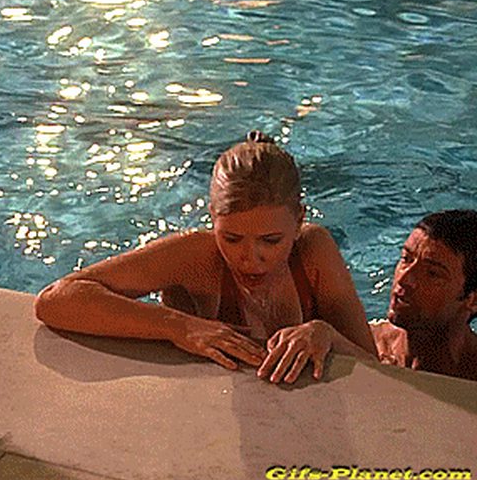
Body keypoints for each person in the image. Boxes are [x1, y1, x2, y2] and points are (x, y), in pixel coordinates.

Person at [34, 131, 377, 383]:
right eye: (232, 238)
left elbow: (379, 370)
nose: (250, 258)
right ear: (213, 217)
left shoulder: (312, 252)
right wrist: (178, 326)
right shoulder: (196, 257)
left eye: (271, 241)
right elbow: (56, 300)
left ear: (298, 220)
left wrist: (326, 335)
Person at [371, 210, 477, 381]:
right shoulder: (365, 345)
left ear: (473, 300)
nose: (404, 279)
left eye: (432, 273)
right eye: (406, 259)